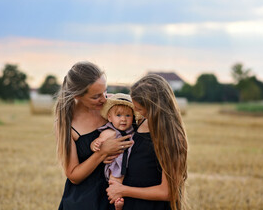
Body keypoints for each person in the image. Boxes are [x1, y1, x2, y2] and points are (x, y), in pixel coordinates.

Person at [55, 61, 133, 210]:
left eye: (105, 91)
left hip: (118, 198)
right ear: (77, 95)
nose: (104, 99)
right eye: (96, 96)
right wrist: (103, 152)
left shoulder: (115, 106)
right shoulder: (67, 122)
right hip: (86, 202)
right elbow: (73, 175)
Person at [106, 74, 188, 210]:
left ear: (153, 108)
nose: (135, 112)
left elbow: (168, 192)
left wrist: (123, 190)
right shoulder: (142, 121)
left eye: (138, 108)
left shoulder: (172, 138)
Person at [90, 93, 141, 210]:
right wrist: (95, 144)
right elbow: (97, 142)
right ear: (109, 117)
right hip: (115, 167)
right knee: (115, 182)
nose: (123, 119)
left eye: (128, 115)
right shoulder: (108, 132)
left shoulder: (133, 132)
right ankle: (117, 204)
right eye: (118, 115)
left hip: (130, 167)